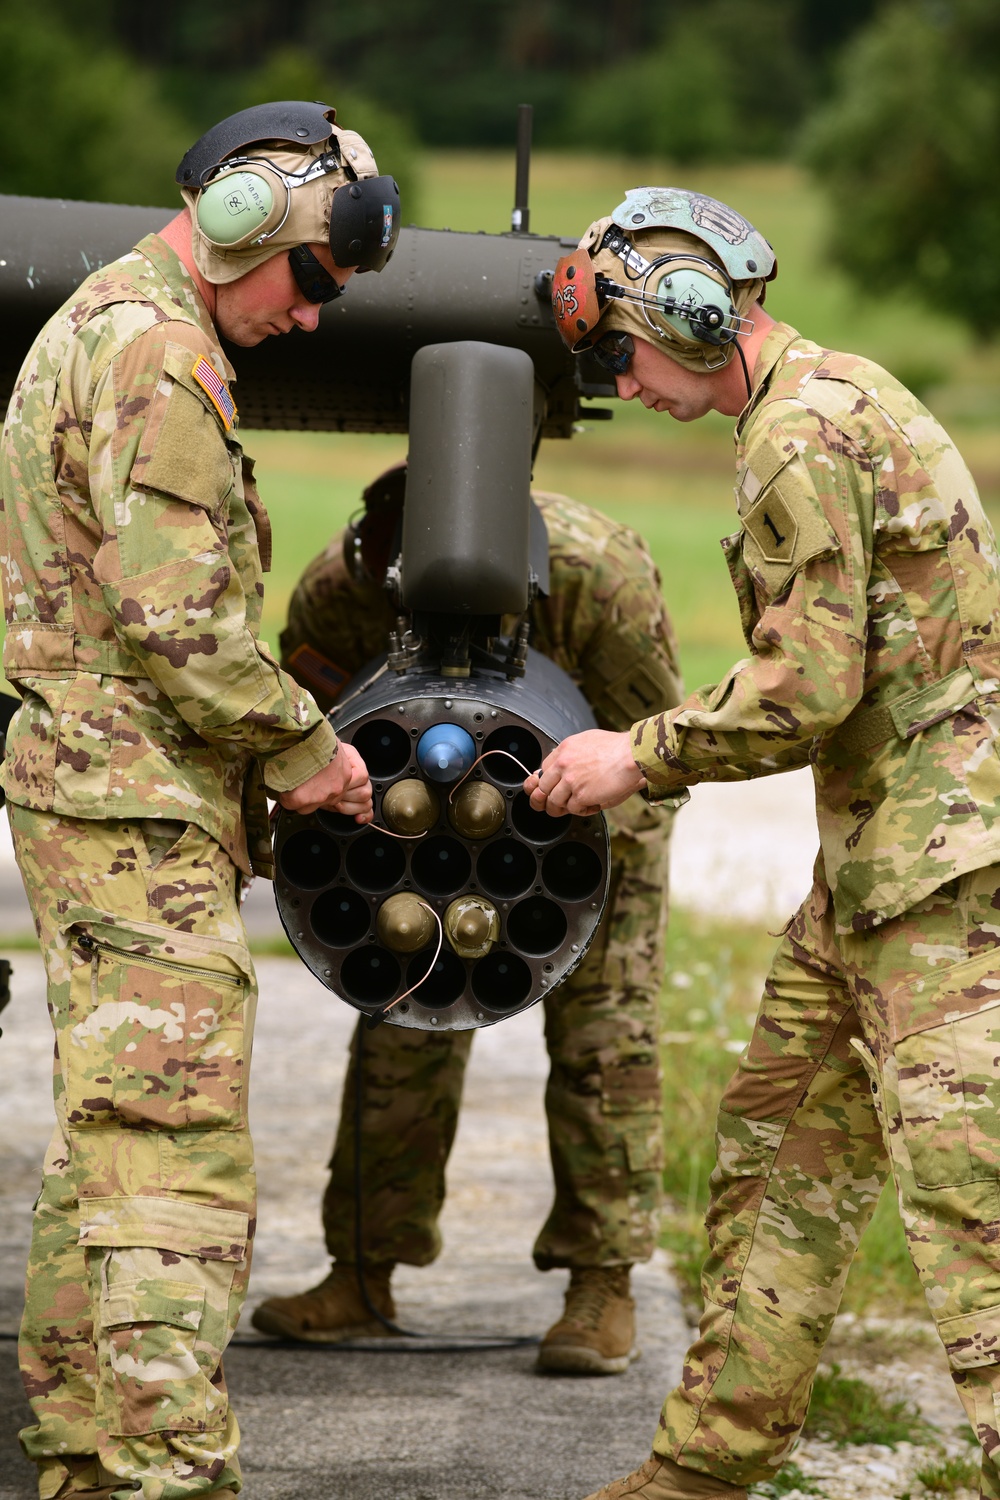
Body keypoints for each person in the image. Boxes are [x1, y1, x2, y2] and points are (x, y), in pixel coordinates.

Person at [526, 185, 1000, 1500]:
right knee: (774, 1161)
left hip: (944, 888)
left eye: (620, 357)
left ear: (688, 319)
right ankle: (703, 1472)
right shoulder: (828, 399)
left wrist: (637, 750)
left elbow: (810, 687)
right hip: (872, 880)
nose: (625, 387)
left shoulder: (797, 435)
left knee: (971, 1220)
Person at [0, 100, 400, 1500]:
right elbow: (178, 619)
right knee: (174, 1162)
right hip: (131, 809)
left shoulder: (113, 324)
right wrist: (303, 746)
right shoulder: (162, 355)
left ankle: (83, 1454)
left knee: (110, 1141)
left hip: (97, 796)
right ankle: (166, 1468)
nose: (309, 319)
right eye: (309, 281)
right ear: (244, 225)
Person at [248, 463, 683, 1374]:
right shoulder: (344, 591)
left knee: (606, 1039)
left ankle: (601, 1286)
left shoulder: (598, 579)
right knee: (404, 1011)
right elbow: (307, 734)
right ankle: (363, 1273)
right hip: (413, 833)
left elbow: (656, 757)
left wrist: (564, 849)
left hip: (590, 833)